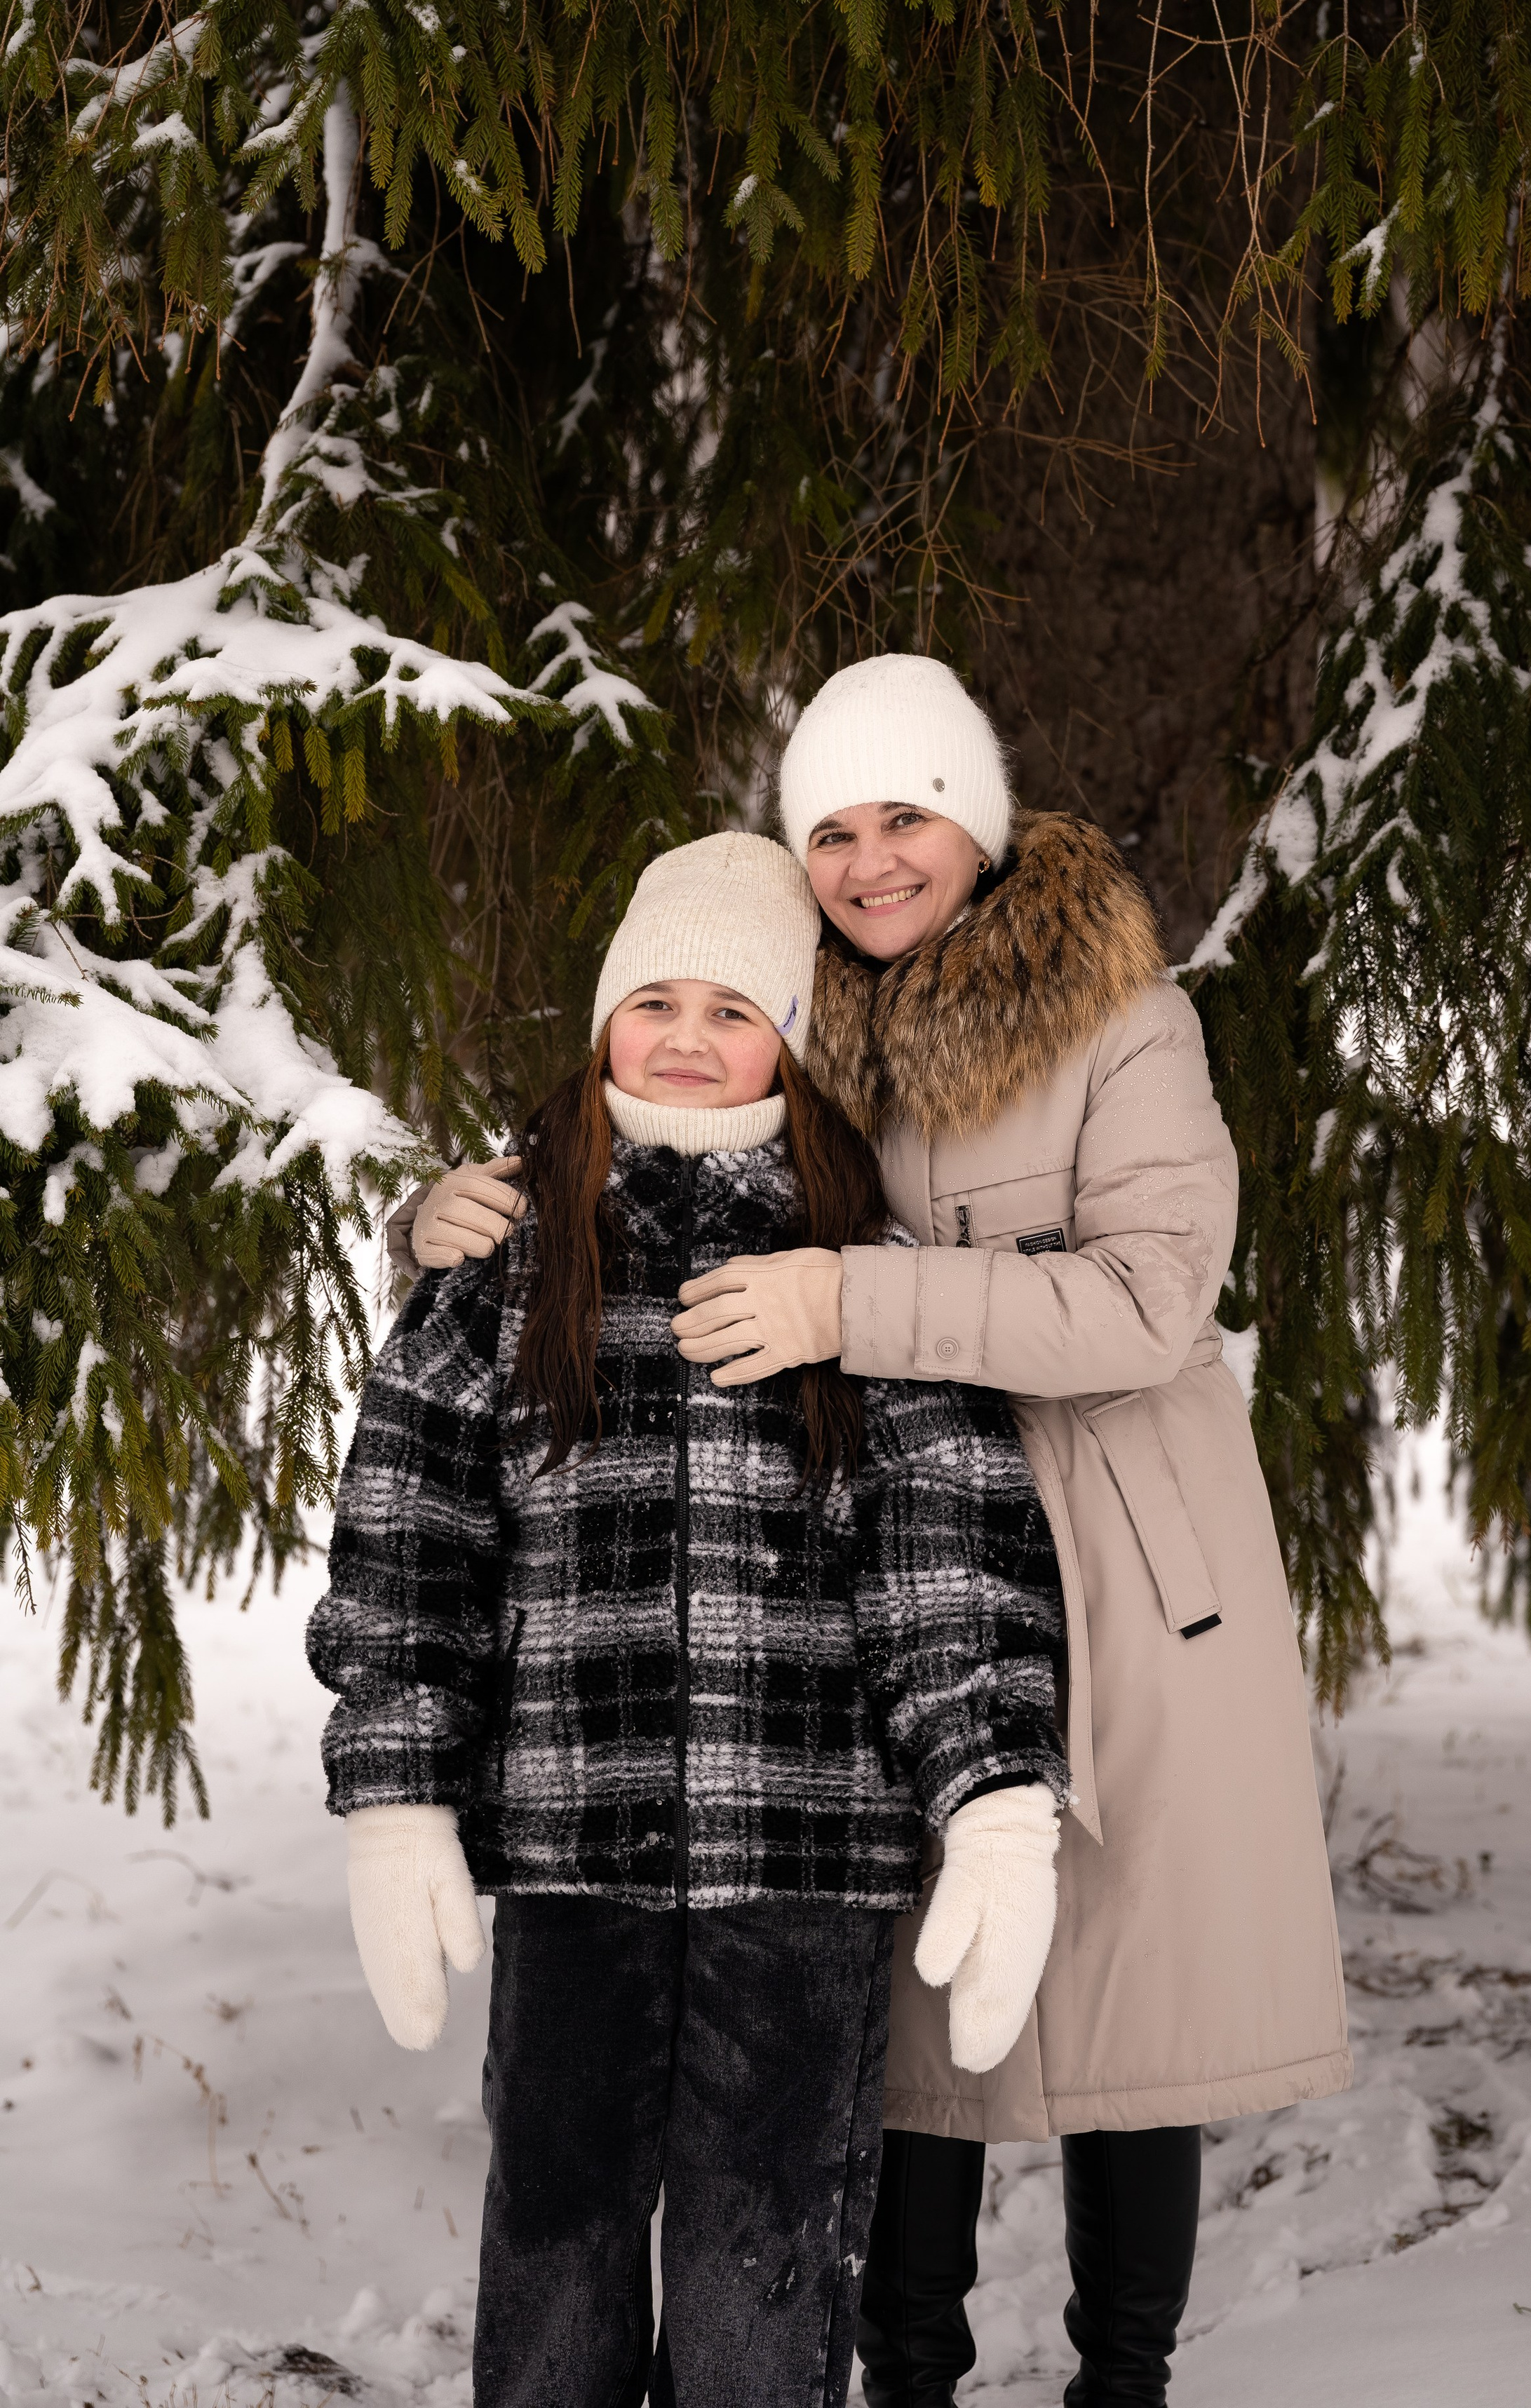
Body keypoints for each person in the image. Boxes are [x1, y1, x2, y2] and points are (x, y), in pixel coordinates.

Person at [404, 663, 1352, 2407]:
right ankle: (906, 2379)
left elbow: (1147, 1305)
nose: (866, 860)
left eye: (902, 815)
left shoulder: (1121, 1021)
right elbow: (668, 1139)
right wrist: (466, 1206)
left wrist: (855, 1297)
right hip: (880, 1568)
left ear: (974, 826)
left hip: (1118, 1564)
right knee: (903, 2037)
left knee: (1125, 2029)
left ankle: (1118, 2383)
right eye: (829, 828)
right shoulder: (802, 1009)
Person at [310, 830, 1072, 2408]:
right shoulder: (503, 1262)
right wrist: (394, 1801)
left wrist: (992, 1799)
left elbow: (946, 1560)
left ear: (786, 1045)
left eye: (732, 1008)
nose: (683, 1034)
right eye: (650, 998)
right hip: (568, 1856)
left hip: (800, 1872)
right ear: (601, 1026)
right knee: (556, 2274)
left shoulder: (861, 1277)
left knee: (760, 2293)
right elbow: (408, 1542)